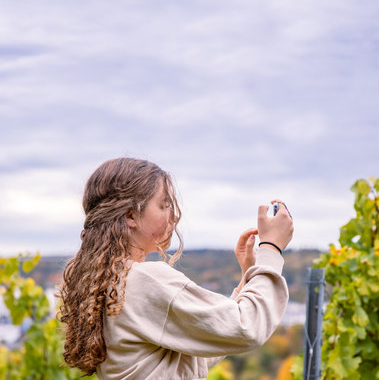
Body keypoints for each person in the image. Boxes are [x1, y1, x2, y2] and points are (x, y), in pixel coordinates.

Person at [57, 157, 294, 380]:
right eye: (164, 205)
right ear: (131, 215)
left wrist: (247, 279)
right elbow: (246, 328)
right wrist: (271, 248)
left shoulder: (110, 283)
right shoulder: (146, 280)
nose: (173, 215)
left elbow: (202, 344)